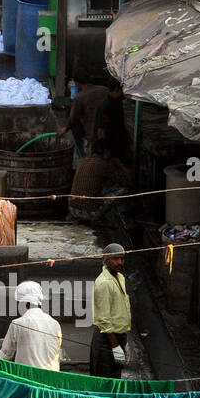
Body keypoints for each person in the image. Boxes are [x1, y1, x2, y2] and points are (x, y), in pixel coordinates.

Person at [0, 281, 62, 371]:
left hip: (27, 379)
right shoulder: (55, 324)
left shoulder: (17, 323)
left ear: (26, 303)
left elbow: (5, 355)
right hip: (52, 379)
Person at [90, 244, 131, 378]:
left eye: (122, 259)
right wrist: (115, 346)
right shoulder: (104, 283)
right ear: (107, 260)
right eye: (116, 259)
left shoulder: (120, 277)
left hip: (119, 335)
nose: (120, 262)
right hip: (106, 338)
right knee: (104, 378)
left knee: (115, 377)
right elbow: (103, 319)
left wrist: (124, 341)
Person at [68, 140, 132, 225]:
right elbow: (127, 181)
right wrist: (120, 165)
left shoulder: (82, 161)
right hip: (89, 213)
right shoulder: (103, 164)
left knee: (99, 186)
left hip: (72, 209)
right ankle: (126, 219)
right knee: (125, 191)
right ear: (105, 152)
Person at [60, 78, 112, 155]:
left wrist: (65, 128)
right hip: (109, 129)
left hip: (94, 134)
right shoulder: (105, 90)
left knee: (75, 127)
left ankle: (82, 155)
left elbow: (73, 118)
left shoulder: (80, 97)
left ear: (76, 83)